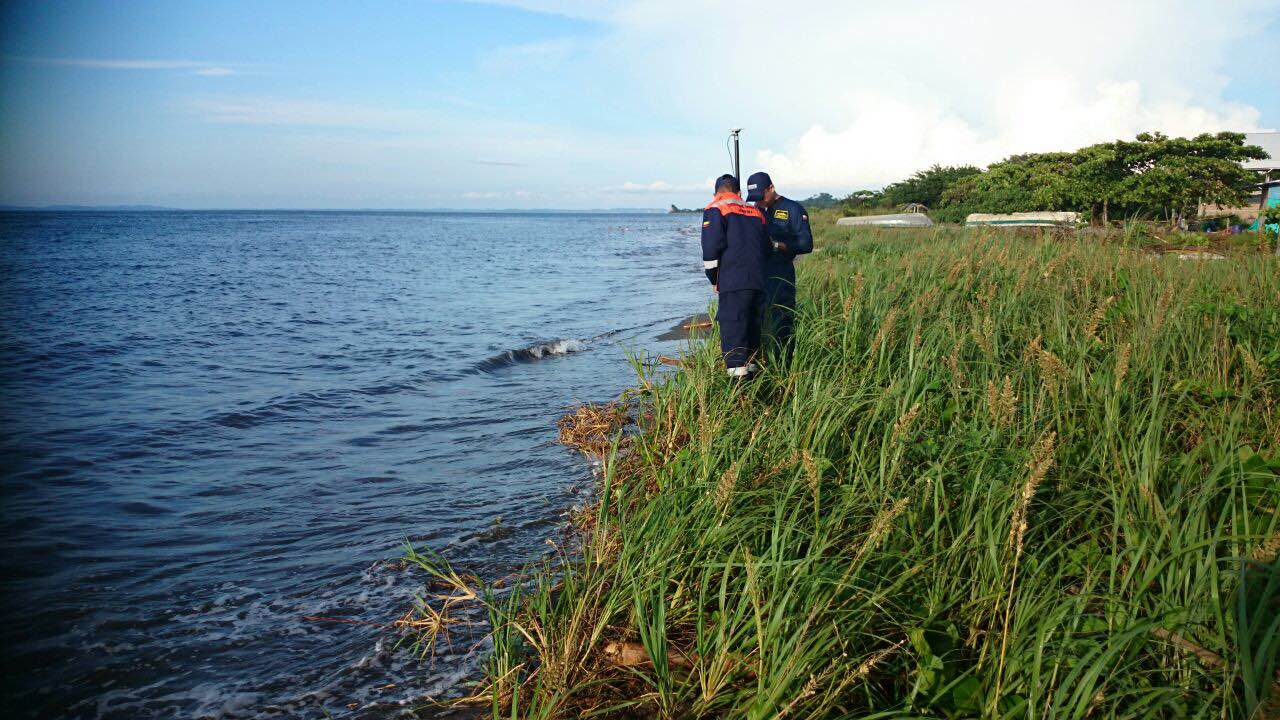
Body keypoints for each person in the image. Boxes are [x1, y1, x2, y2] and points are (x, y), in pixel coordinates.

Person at [701, 174, 768, 378]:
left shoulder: (716, 207)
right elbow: (765, 246)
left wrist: (714, 278)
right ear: (739, 193)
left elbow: (711, 250)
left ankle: (738, 395)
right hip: (758, 282)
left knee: (734, 335)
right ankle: (755, 383)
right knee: (752, 333)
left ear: (716, 193)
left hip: (733, 282)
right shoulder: (756, 211)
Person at [745, 171, 813, 359]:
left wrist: (776, 245)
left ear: (771, 188)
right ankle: (759, 362)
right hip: (757, 275)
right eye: (754, 199)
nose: (759, 202)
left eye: (761, 197)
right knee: (756, 322)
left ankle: (784, 364)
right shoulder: (755, 211)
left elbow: (806, 245)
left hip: (781, 275)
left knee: (781, 322)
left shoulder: (793, 209)